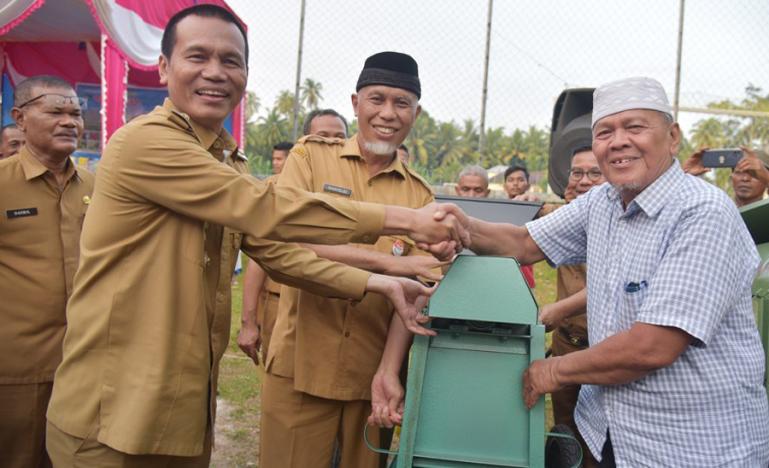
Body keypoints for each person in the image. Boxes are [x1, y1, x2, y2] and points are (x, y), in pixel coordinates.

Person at [44, 7, 466, 466]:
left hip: (181, 407)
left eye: (231, 61)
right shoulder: (145, 142)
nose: (215, 73)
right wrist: (406, 222)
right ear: (164, 67)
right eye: (198, 56)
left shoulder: (229, 161)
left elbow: (277, 253)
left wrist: (379, 284)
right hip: (112, 409)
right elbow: (268, 210)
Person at [381, 77, 769, 466]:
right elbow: (525, 243)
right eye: (605, 132)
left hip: (692, 445)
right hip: (609, 430)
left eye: (635, 127)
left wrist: (553, 370)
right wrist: (465, 227)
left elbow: (654, 344)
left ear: (672, 136)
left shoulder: (702, 213)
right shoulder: (603, 200)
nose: (618, 141)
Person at [259, 51, 445, 468]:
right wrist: (388, 264)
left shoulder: (421, 197)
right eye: (376, 99)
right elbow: (282, 242)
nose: (387, 113)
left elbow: (420, 291)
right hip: (299, 364)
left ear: (416, 113)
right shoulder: (310, 158)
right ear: (355, 103)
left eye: (402, 103)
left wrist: (388, 371)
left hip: (371, 376)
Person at [0, 75, 94, 468]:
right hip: (17, 368)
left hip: (86, 362)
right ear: (20, 118)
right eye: (55, 111)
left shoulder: (98, 186)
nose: (69, 121)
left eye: (74, 112)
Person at [537, 144, 604, 468]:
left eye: (595, 173)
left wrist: (558, 309)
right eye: (577, 172)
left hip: (605, 347)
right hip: (567, 342)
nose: (583, 180)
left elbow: (609, 285)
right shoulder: (562, 217)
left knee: (602, 438)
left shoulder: (623, 224)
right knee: (568, 430)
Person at [683, 146, 769, 207]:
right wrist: (684, 176)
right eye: (739, 172)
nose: (745, 179)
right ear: (731, 176)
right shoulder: (716, 207)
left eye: (753, 174)